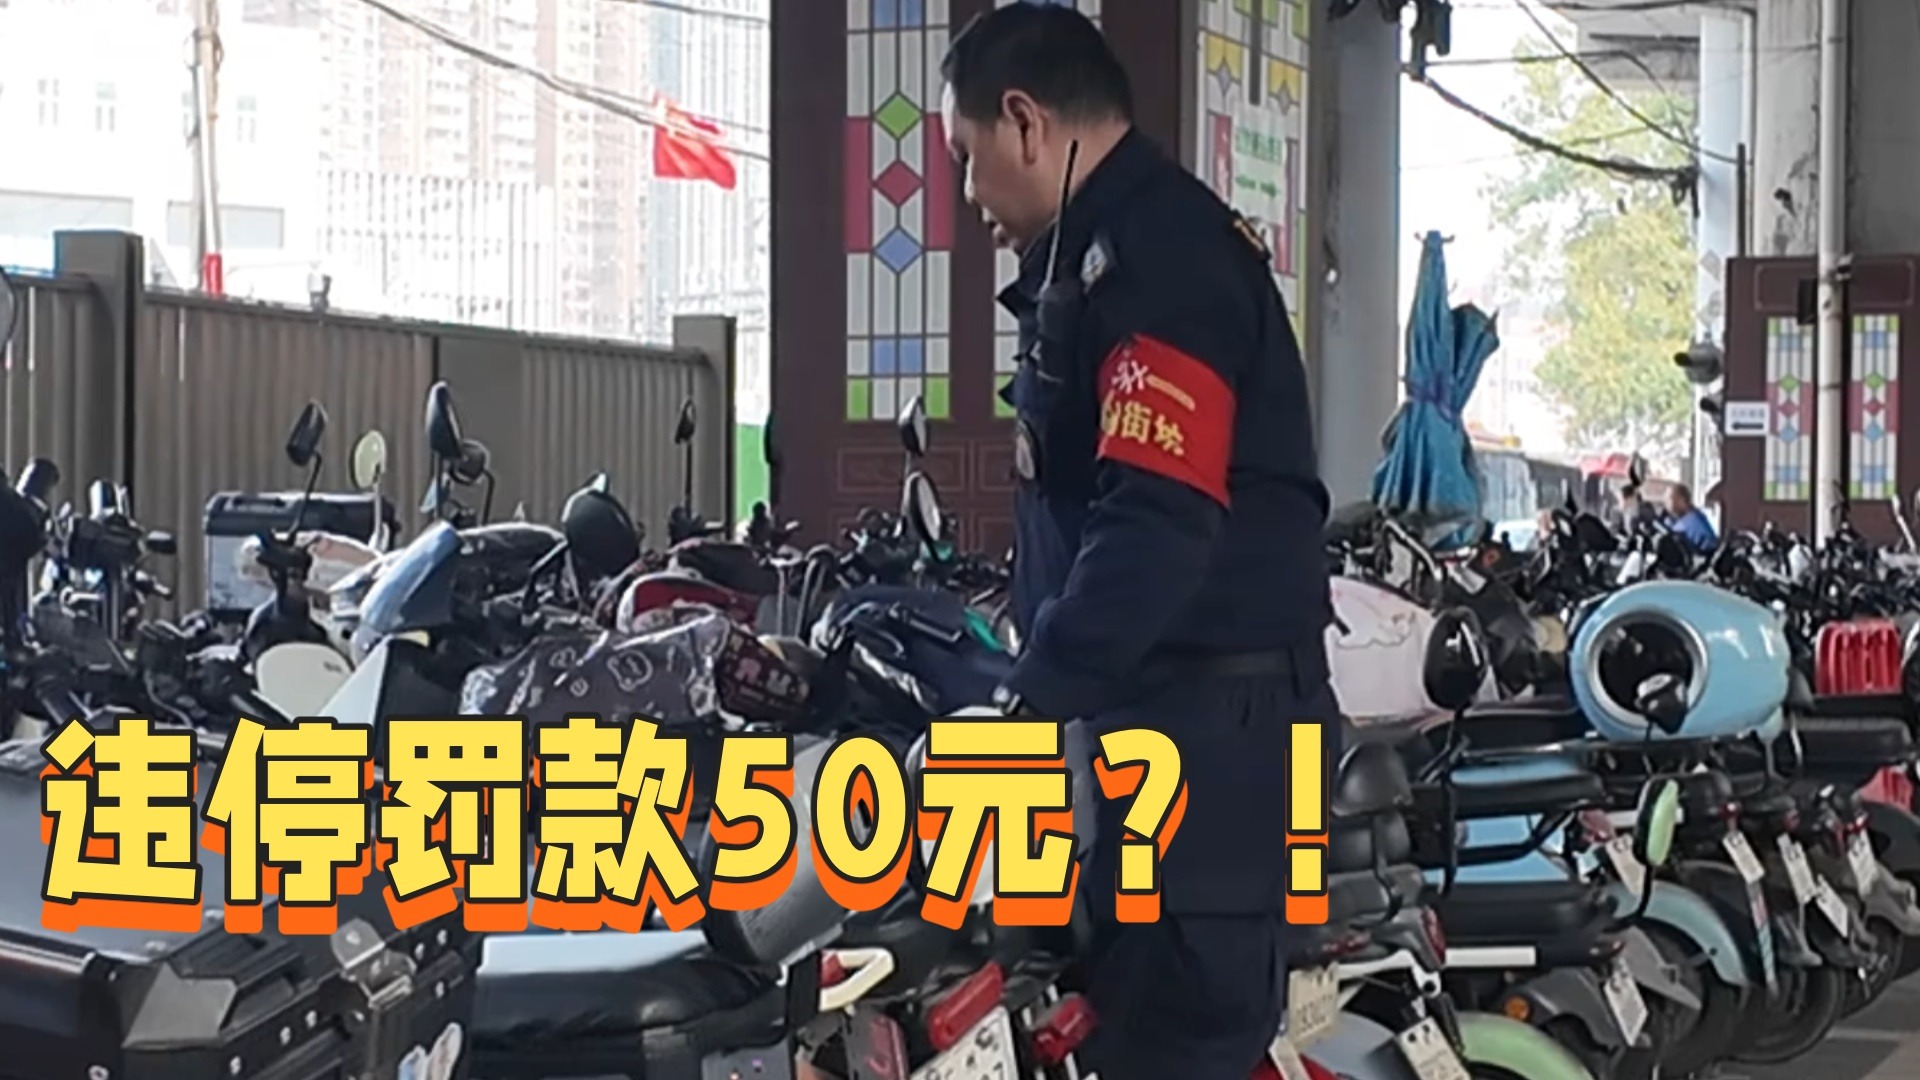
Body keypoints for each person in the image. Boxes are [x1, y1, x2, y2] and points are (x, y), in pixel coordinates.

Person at [940, 6, 1337, 1077]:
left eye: (968, 155)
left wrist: (1028, 702)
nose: (968, 195)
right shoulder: (1110, 251)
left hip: (1205, 752)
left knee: (1168, 1045)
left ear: (1026, 123)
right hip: (1173, 731)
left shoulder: (1159, 264)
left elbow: (1157, 520)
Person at [1667, 482, 1718, 552]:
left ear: (1681, 500)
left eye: (1670, 499)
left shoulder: (1694, 522)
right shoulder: (1679, 520)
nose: (1667, 504)